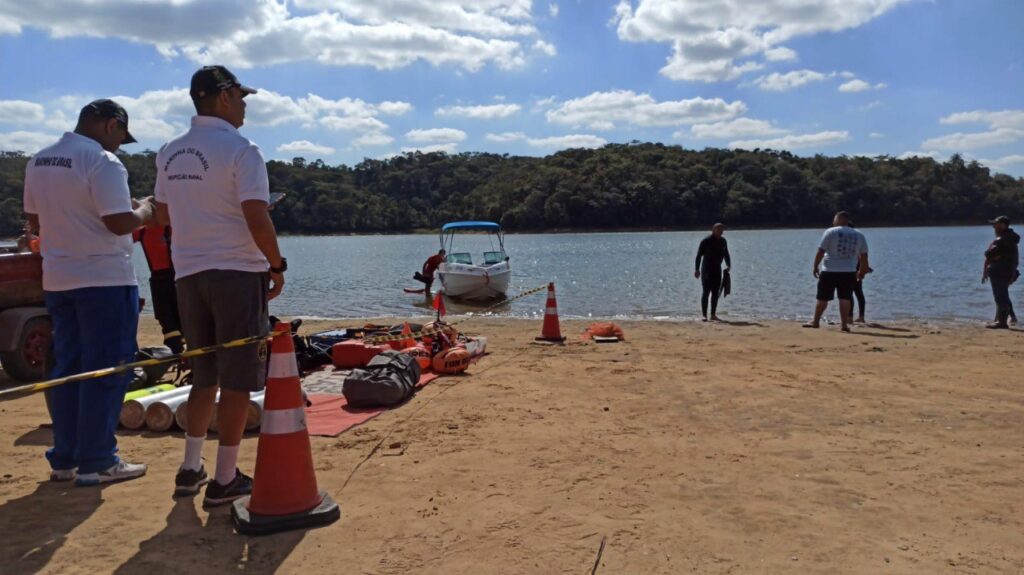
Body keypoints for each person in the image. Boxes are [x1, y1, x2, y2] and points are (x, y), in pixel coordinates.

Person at [155, 65, 286, 505]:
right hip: (235, 271)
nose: (246, 105)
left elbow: (164, 215)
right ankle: (226, 478)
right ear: (224, 96)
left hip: (188, 274)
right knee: (236, 379)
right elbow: (256, 214)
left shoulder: (170, 153)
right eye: (242, 97)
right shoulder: (242, 149)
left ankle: (190, 468)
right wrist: (276, 263)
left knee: (204, 374)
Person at [23, 99, 153, 485]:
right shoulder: (102, 161)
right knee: (107, 370)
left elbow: (35, 220)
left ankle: (65, 458)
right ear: (111, 125)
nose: (118, 147)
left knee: (67, 368)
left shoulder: (39, 161)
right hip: (104, 277)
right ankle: (98, 460)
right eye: (119, 137)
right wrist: (146, 210)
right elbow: (119, 223)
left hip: (59, 277)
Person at [804, 211, 869, 332]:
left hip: (830, 270)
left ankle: (815, 321)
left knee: (822, 298)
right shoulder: (859, 234)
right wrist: (862, 270)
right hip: (849, 271)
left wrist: (815, 266)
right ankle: (844, 325)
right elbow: (864, 255)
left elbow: (821, 251)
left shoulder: (830, 231)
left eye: (834, 219)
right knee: (845, 297)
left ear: (839, 219)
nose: (833, 222)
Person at [133, 223, 184, 353]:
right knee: (166, 320)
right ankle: (175, 352)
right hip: (157, 281)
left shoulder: (172, 226)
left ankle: (191, 356)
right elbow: (121, 239)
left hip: (176, 278)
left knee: (185, 319)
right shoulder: (142, 231)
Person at [982, 216, 1019, 329]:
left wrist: (992, 255)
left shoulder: (1002, 239)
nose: (993, 227)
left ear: (1003, 225)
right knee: (1003, 295)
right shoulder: (1010, 239)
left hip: (1000, 271)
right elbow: (1013, 258)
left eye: (996, 224)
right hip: (1007, 271)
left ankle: (1002, 322)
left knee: (1000, 296)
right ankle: (1003, 320)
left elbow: (988, 254)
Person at [694, 223, 731, 321]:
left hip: (717, 269)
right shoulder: (706, 241)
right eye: (718, 230)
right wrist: (697, 269)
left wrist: (728, 265)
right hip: (707, 270)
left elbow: (726, 253)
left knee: (715, 292)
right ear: (713, 230)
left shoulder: (723, 241)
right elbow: (698, 256)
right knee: (706, 292)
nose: (720, 232)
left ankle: (713, 314)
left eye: (722, 230)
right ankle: (704, 315)